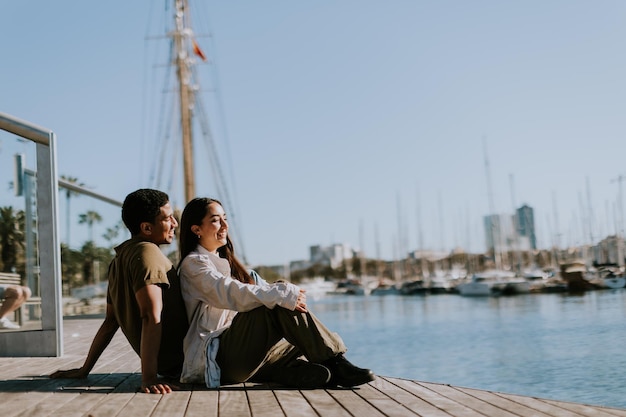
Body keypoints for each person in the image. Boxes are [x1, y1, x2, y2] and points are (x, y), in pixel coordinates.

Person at [177, 197, 375, 389]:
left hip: (241, 356)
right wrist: (281, 293)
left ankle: (296, 371)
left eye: (225, 219)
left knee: (306, 340)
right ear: (196, 230)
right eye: (215, 220)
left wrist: (281, 294)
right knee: (279, 299)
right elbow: (228, 292)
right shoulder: (194, 264)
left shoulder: (221, 262)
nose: (224, 225)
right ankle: (336, 363)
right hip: (218, 359)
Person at [51, 189, 188, 394]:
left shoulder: (119, 259)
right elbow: (150, 316)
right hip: (188, 361)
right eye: (168, 219)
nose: (175, 224)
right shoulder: (148, 253)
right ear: (147, 228)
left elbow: (110, 321)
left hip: (170, 366)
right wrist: (149, 378)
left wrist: (84, 369)